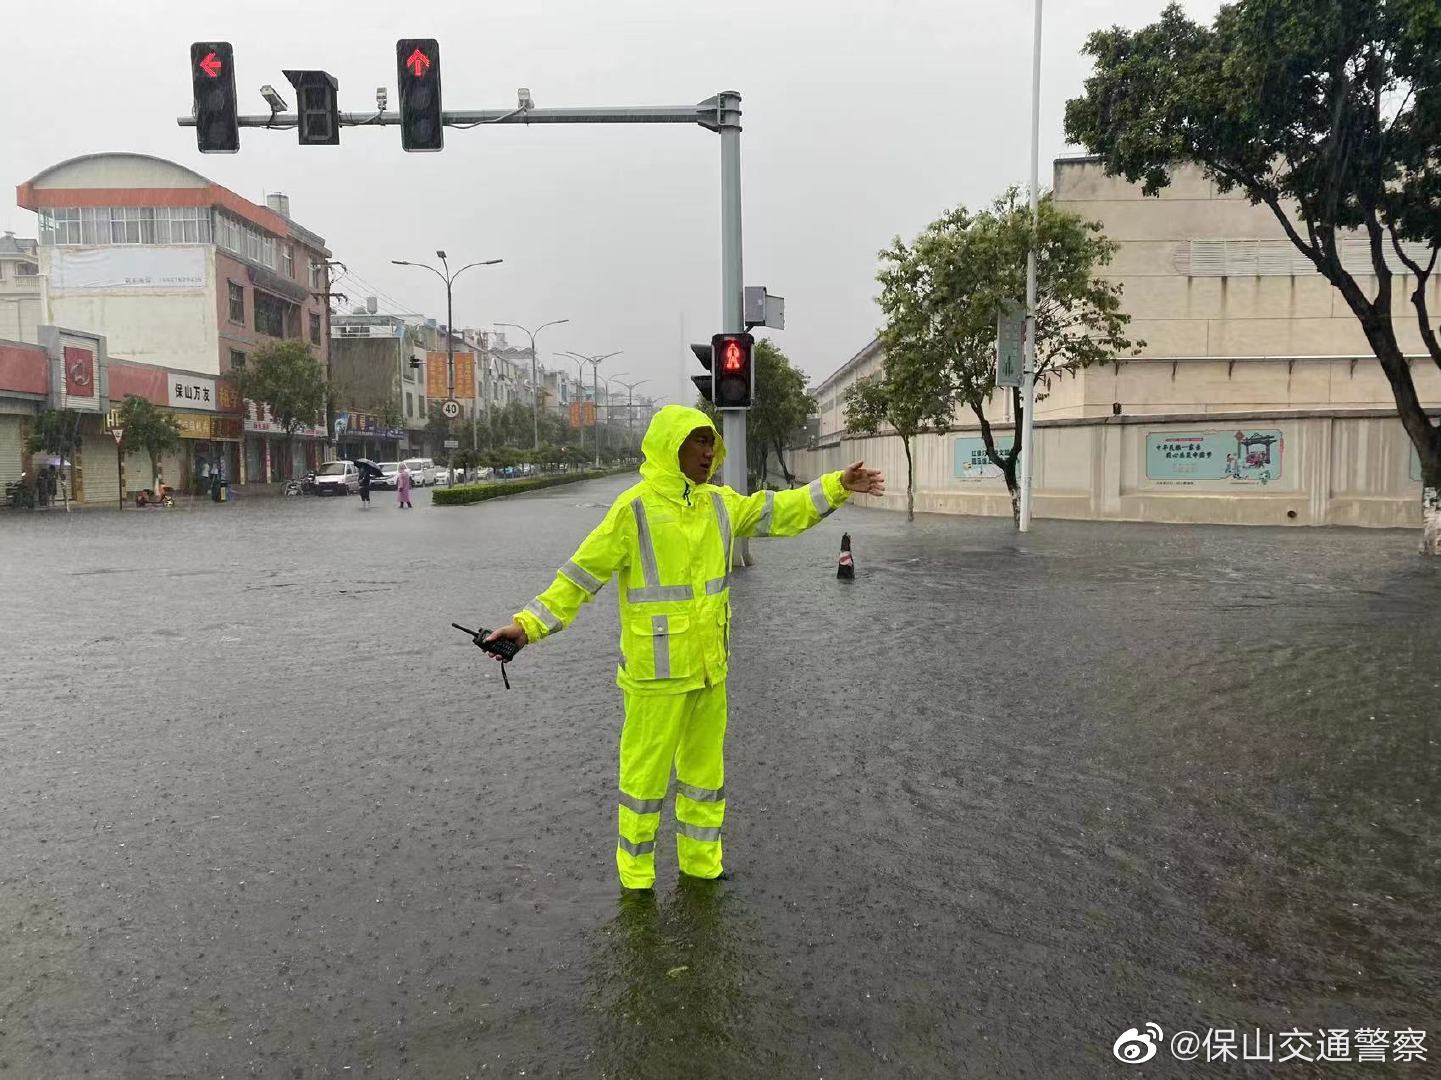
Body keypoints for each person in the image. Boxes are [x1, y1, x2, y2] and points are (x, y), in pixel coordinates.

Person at [484, 404, 884, 892]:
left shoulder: (720, 504)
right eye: (698, 441)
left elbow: (780, 512)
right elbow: (580, 576)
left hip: (709, 672)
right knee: (644, 784)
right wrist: (526, 626)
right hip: (654, 678)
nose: (708, 451)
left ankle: (702, 865)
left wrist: (838, 485)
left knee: (704, 780)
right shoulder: (633, 509)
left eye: (711, 441)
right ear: (670, 447)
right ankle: (636, 878)